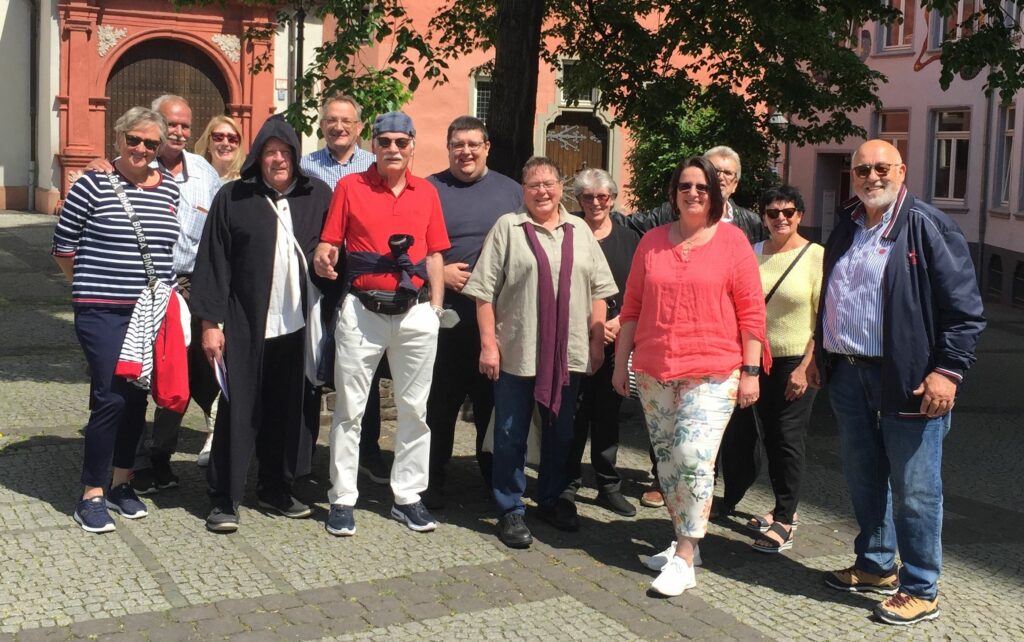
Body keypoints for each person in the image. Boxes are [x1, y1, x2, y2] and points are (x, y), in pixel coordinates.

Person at [815, 140, 984, 625]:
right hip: (848, 373)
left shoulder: (927, 224)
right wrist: (818, 354)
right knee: (863, 476)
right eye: (862, 169)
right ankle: (875, 565)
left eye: (881, 167)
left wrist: (947, 371)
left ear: (902, 170)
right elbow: (831, 296)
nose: (872, 176)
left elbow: (965, 312)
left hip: (909, 379)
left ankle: (921, 586)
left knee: (915, 488)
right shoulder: (848, 226)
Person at [611, 156, 768, 597]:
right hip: (654, 369)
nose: (693, 192)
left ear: (714, 194)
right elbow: (632, 308)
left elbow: (751, 312)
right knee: (668, 460)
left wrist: (752, 371)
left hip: (714, 370)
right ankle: (686, 540)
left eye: (702, 186)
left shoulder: (734, 241)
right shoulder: (653, 243)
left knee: (694, 455)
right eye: (685, 185)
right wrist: (621, 362)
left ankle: (684, 555)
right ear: (673, 192)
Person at [463, 157, 617, 549]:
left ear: (561, 187)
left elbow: (601, 290)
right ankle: (510, 507)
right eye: (534, 185)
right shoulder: (508, 229)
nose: (542, 191)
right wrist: (487, 345)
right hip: (517, 348)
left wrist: (598, 341)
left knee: (561, 431)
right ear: (523, 190)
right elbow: (483, 292)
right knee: (510, 432)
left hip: (569, 353)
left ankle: (550, 498)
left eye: (549, 183)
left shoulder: (580, 230)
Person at [190, 115, 334, 533]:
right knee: (238, 410)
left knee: (286, 411)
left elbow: (334, 249)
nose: (278, 160)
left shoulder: (317, 195)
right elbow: (213, 263)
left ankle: (275, 488)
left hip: (297, 327)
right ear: (258, 157)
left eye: (285, 152)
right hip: (244, 324)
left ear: (295, 156)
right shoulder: (233, 197)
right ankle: (224, 497)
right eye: (270, 153)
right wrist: (210, 324)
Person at [313, 111, 449, 537]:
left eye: (401, 142)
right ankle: (343, 498)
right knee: (350, 411)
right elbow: (329, 240)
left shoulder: (426, 192)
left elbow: (435, 256)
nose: (393, 149)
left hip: (415, 313)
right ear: (373, 144)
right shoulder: (350, 187)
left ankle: (407, 497)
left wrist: (436, 309)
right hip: (362, 311)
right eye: (385, 141)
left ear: (412, 145)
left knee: (415, 411)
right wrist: (323, 253)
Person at [81, 95, 223, 488]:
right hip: (132, 291)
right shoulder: (129, 166)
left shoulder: (204, 173)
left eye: (184, 126)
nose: (176, 132)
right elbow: (69, 243)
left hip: (188, 288)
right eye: (169, 124)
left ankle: (157, 455)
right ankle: (121, 463)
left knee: (174, 376)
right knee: (124, 380)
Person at [52, 106, 181, 532]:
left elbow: (166, 253)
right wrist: (91, 289)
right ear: (119, 138)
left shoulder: (170, 191)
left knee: (136, 396)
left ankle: (122, 482)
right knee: (110, 394)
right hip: (101, 310)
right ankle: (91, 491)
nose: (142, 149)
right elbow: (63, 247)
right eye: (134, 140)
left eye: (150, 143)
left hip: (150, 312)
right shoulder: (92, 184)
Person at [422, 116, 524, 509]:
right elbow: (411, 248)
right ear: (448, 148)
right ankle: (431, 480)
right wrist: (439, 273)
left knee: (492, 406)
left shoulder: (511, 191)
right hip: (444, 317)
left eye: (473, 144)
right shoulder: (429, 189)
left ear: (486, 147)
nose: (465, 151)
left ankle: (493, 479)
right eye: (458, 144)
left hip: (497, 321)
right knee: (438, 406)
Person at [299, 94, 389, 486]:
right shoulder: (305, 166)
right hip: (315, 277)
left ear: (359, 127)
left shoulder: (375, 166)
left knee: (362, 368)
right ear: (322, 125)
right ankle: (305, 458)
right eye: (332, 120)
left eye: (346, 121)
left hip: (361, 277)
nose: (339, 127)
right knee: (312, 364)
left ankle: (367, 451)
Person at [743, 185, 823, 553]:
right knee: (769, 436)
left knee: (788, 438)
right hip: (757, 359)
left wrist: (807, 366)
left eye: (788, 212)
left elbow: (824, 319)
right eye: (772, 213)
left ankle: (787, 520)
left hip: (794, 362)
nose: (780, 218)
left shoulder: (815, 257)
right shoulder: (752, 253)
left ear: (800, 216)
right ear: (763, 217)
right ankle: (779, 508)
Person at [561, 168, 639, 518]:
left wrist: (619, 322)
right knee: (573, 414)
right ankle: (567, 483)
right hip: (573, 340)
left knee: (608, 414)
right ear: (577, 200)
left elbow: (640, 292)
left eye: (602, 196)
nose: (595, 203)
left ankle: (608, 484)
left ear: (613, 198)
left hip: (615, 341)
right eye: (587, 197)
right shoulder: (567, 233)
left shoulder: (629, 239)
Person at [195, 115, 245, 183]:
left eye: (232, 138)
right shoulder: (196, 178)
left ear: (239, 144)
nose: (225, 143)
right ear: (208, 142)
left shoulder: (247, 181)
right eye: (218, 137)